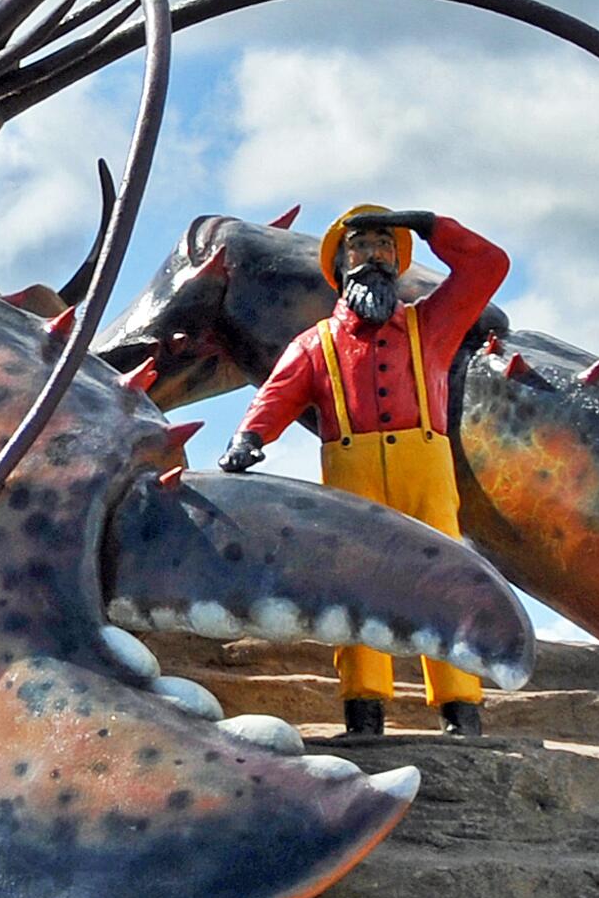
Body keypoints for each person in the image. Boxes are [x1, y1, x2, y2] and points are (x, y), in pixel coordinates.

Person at [217, 204, 512, 739]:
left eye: (383, 246)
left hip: (425, 469)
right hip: (351, 474)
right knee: (353, 585)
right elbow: (276, 395)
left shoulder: (433, 324)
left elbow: (488, 266)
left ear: (397, 261)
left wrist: (431, 225)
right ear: (341, 263)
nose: (372, 256)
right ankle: (364, 712)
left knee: (444, 582)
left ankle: (461, 710)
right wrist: (248, 438)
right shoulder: (314, 345)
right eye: (360, 247)